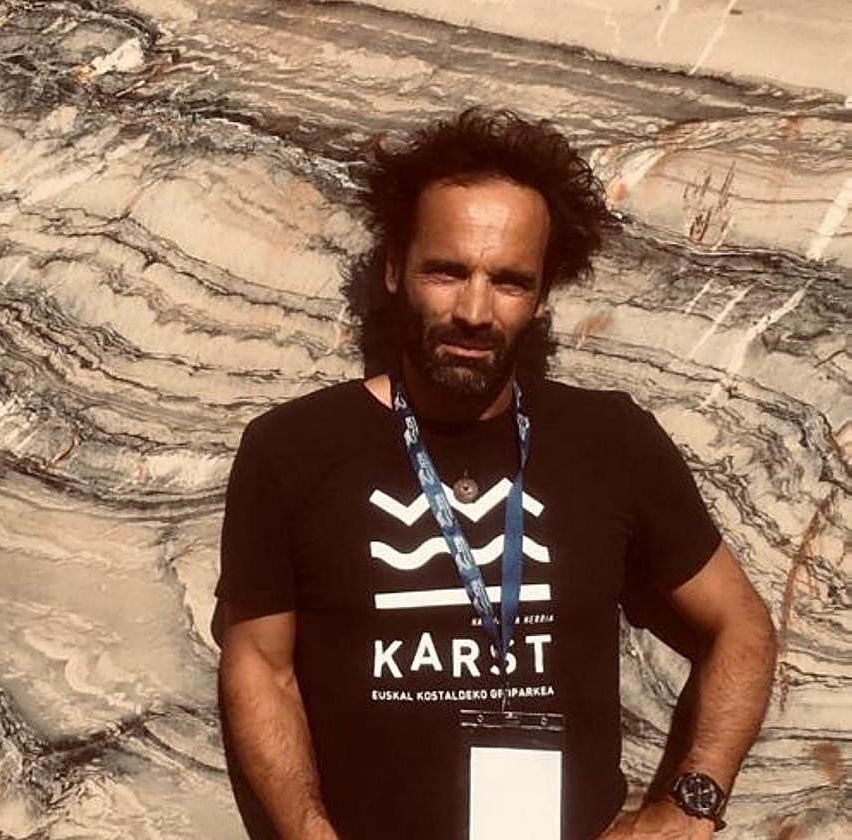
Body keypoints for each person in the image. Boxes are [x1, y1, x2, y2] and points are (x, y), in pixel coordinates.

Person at [213, 108, 776, 840]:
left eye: (509, 281)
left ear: (541, 297)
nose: (475, 311)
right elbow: (259, 664)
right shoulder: (292, 448)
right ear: (395, 269)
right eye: (447, 271)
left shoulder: (610, 439)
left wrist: (690, 805)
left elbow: (741, 625)